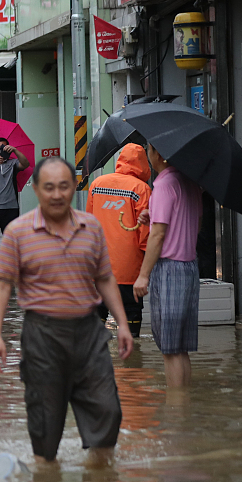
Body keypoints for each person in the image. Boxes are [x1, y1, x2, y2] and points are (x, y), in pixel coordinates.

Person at [0, 157, 134, 467]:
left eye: (64, 187)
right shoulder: (18, 232)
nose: (57, 195)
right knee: (45, 421)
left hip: (89, 334)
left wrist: (122, 323)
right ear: (36, 189)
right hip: (42, 336)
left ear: (73, 189)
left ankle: (99, 481)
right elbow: (1, 286)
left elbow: (105, 278)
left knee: (108, 410)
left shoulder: (91, 226)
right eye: (49, 188)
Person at [132, 144, 203, 387]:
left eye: (149, 150)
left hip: (170, 270)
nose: (148, 155)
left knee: (170, 349)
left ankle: (175, 411)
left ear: (159, 154)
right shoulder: (190, 183)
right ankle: (183, 407)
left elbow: (158, 235)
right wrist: (151, 216)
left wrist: (143, 275)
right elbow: (192, 222)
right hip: (189, 268)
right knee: (180, 348)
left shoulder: (163, 185)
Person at [86, 143, 151, 338]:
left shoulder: (97, 183)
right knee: (131, 311)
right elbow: (146, 232)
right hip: (128, 267)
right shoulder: (141, 188)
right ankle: (133, 359)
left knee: (97, 311)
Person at [0, 136, 30, 250]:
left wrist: (15, 150)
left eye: (4, 147)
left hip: (10, 206)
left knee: (12, 240)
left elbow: (25, 164)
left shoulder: (12, 163)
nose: (1, 150)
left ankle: (10, 265)